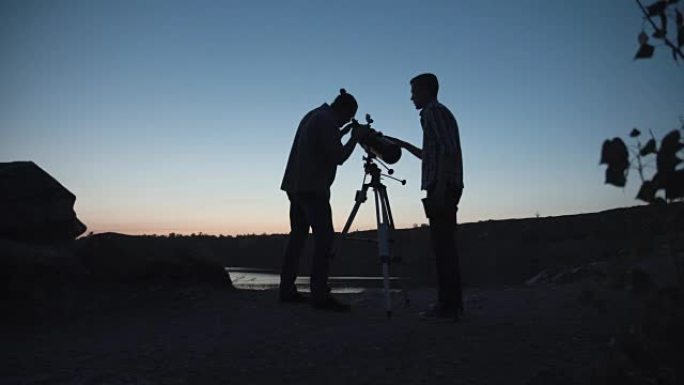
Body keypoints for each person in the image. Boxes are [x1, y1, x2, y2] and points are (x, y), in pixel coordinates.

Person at [279, 88, 367, 312]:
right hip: (312, 188)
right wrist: (355, 139)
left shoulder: (316, 115)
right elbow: (338, 157)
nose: (347, 121)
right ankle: (319, 295)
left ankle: (286, 290)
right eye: (349, 117)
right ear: (345, 110)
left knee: (297, 238)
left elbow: (321, 143)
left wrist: (344, 132)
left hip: (296, 186)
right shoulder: (326, 121)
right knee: (324, 239)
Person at [391, 73, 464, 320]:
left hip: (442, 185)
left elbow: (449, 150)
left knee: (443, 248)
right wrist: (403, 145)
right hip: (443, 183)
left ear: (425, 90)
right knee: (444, 246)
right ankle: (451, 305)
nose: (411, 97)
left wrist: (441, 185)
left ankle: (448, 307)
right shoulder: (434, 114)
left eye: (414, 91)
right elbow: (431, 154)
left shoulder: (433, 112)